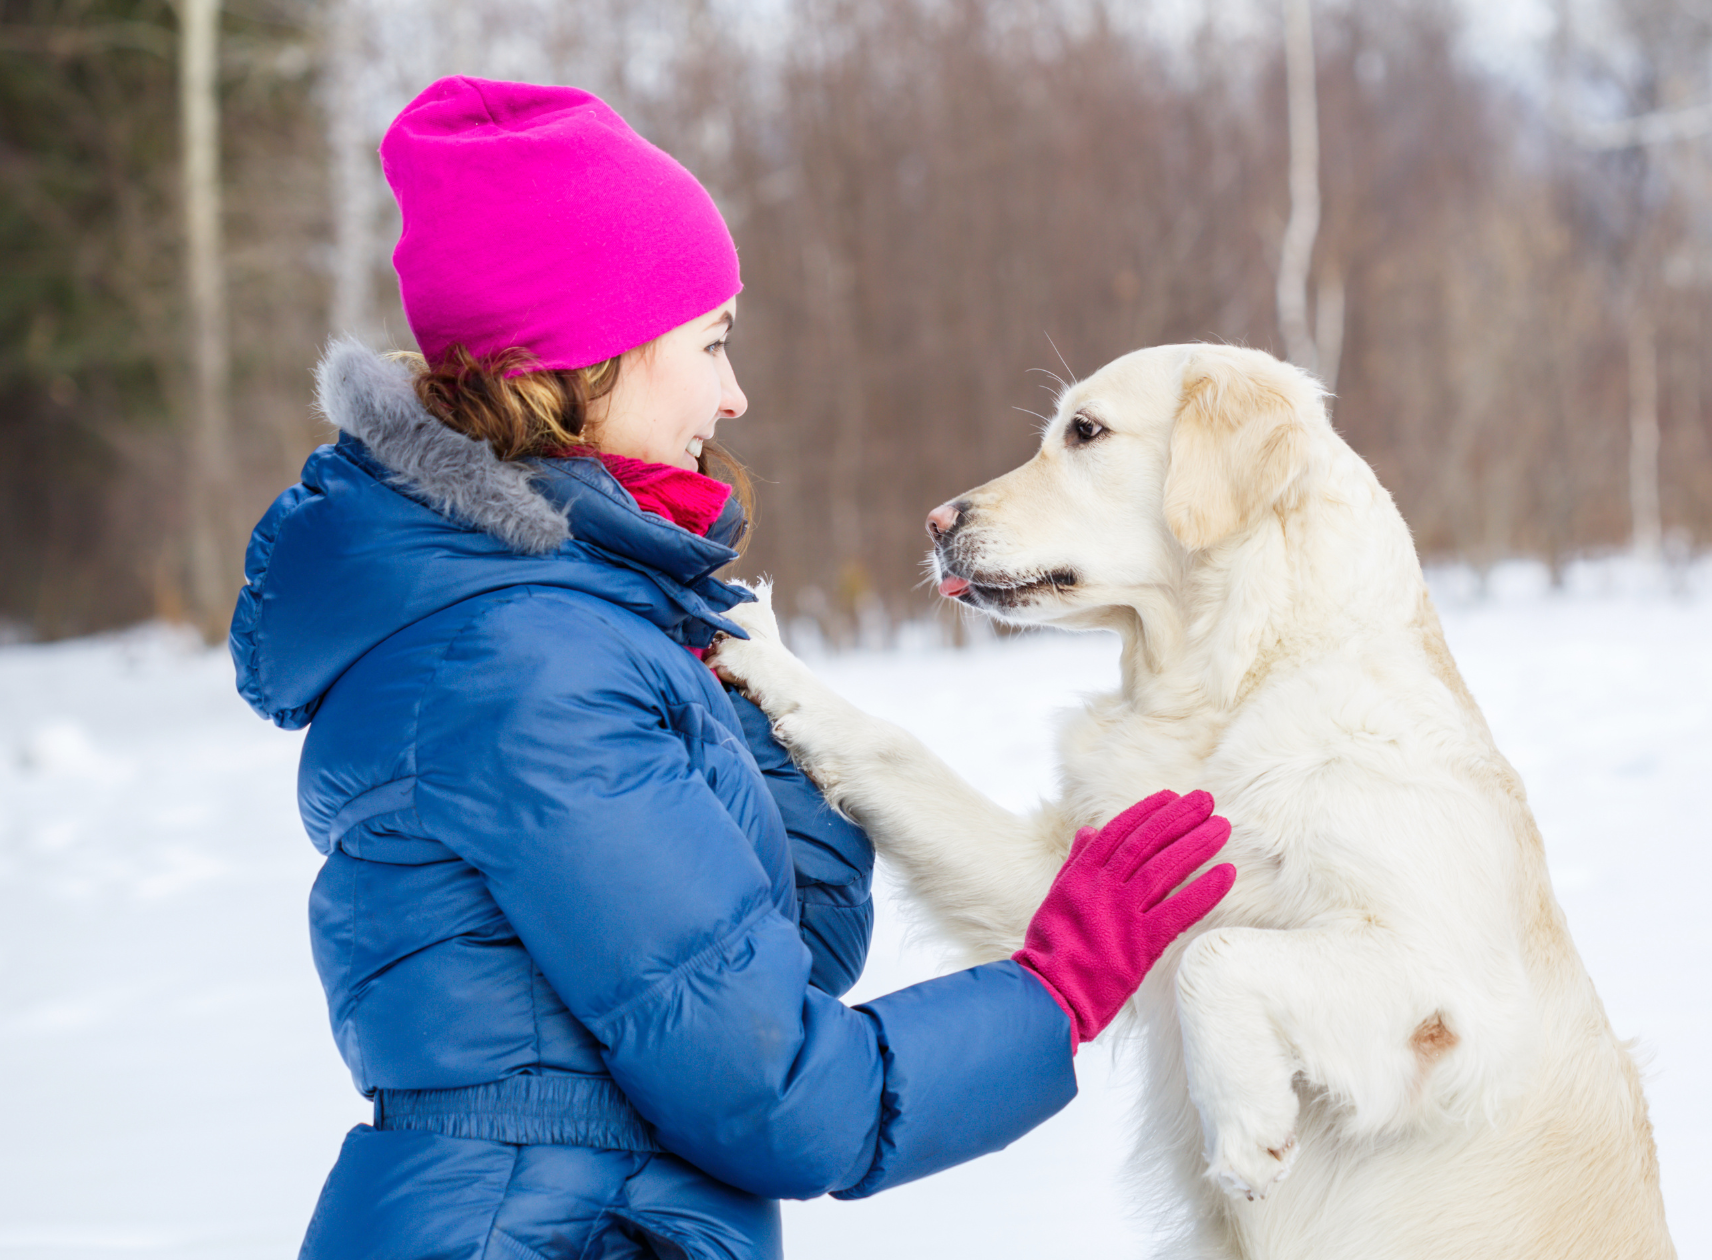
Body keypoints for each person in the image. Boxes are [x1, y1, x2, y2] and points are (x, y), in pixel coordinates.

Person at [229, 76, 1236, 1259]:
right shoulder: (522, 667)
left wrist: (757, 715)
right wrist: (1058, 983)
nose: (734, 394)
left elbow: (768, 971)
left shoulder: (576, 622)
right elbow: (787, 1102)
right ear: (587, 358)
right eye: (709, 344)